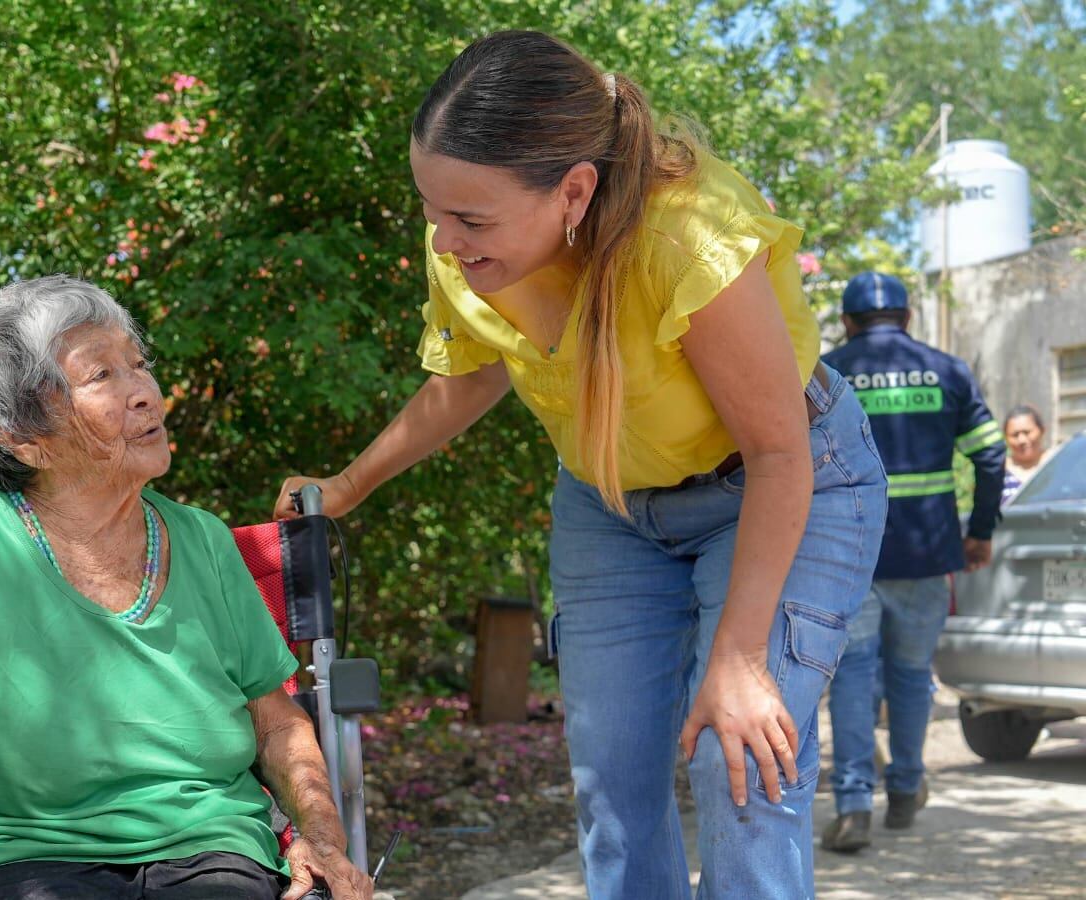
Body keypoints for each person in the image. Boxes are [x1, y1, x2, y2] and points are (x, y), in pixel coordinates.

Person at [276, 30, 886, 898]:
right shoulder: (468, 240)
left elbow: (779, 451)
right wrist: (347, 485)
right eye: (431, 208)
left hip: (778, 483)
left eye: (469, 220)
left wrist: (742, 661)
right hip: (612, 507)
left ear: (573, 190)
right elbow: (473, 373)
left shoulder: (687, 236)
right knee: (613, 780)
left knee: (740, 760)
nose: (443, 241)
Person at [0, 276, 373, 900]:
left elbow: (276, 722)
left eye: (138, 365)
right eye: (102, 375)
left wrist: (322, 837)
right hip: (20, 861)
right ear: (20, 437)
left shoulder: (203, 540)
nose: (144, 392)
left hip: (213, 856)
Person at [819, 271, 1006, 852]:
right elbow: (991, 455)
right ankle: (904, 791)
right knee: (910, 673)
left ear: (847, 322)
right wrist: (979, 532)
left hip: (848, 554)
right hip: (928, 552)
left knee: (852, 676)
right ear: (907, 318)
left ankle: (853, 807)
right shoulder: (947, 370)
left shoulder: (825, 372)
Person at [1002, 404, 1056, 504]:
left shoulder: (1057, 463)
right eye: (1015, 435)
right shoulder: (998, 471)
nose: (1022, 440)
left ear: (1042, 431)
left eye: (1027, 432)